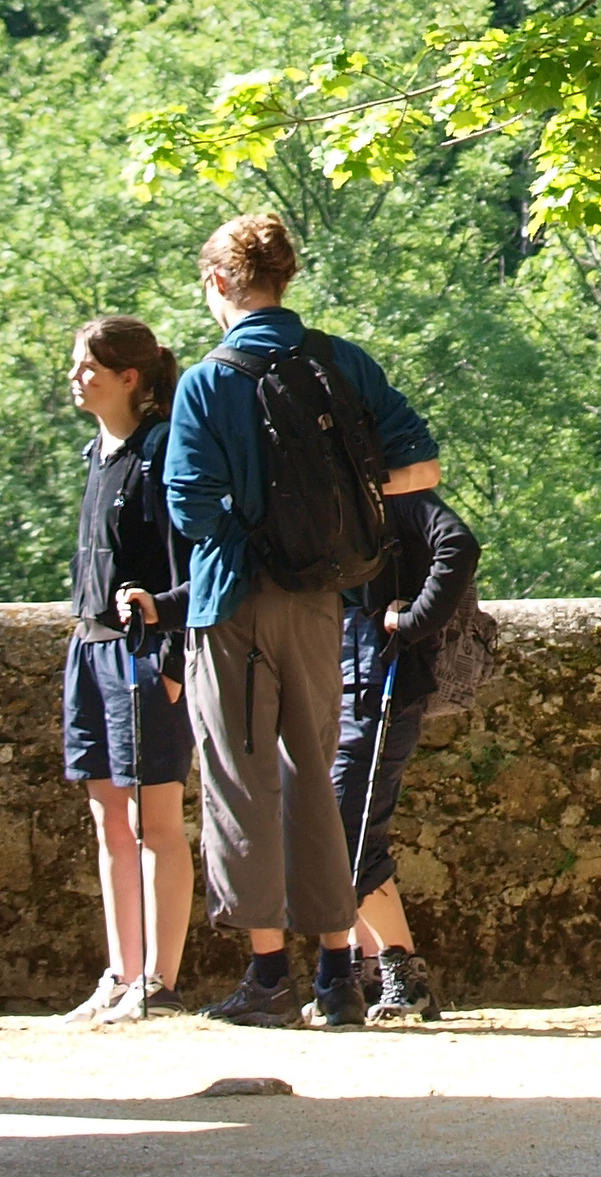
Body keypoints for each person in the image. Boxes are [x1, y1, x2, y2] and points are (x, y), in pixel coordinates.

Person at [165, 213, 440, 1029]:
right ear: (285, 278)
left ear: (219, 283)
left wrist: (258, 535)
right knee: (315, 785)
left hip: (233, 604)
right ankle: (335, 976)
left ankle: (264, 976)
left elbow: (188, 505)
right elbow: (417, 466)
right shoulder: (340, 362)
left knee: (239, 787)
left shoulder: (209, 381)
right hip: (325, 602)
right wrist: (323, 532)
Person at [61, 316, 196, 1023]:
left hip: (141, 654)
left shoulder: (162, 450)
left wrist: (170, 664)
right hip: (89, 646)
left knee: (154, 819)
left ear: (129, 378)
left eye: (88, 366)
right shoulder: (98, 452)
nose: (76, 377)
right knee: (109, 815)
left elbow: (187, 564)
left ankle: (159, 983)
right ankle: (122, 970)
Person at [336, 483, 482, 1025]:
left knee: (346, 825)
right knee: (334, 828)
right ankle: (364, 971)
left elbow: (459, 546)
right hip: (336, 679)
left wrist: (415, 621)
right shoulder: (328, 492)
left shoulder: (393, 491)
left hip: (385, 680)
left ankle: (402, 973)